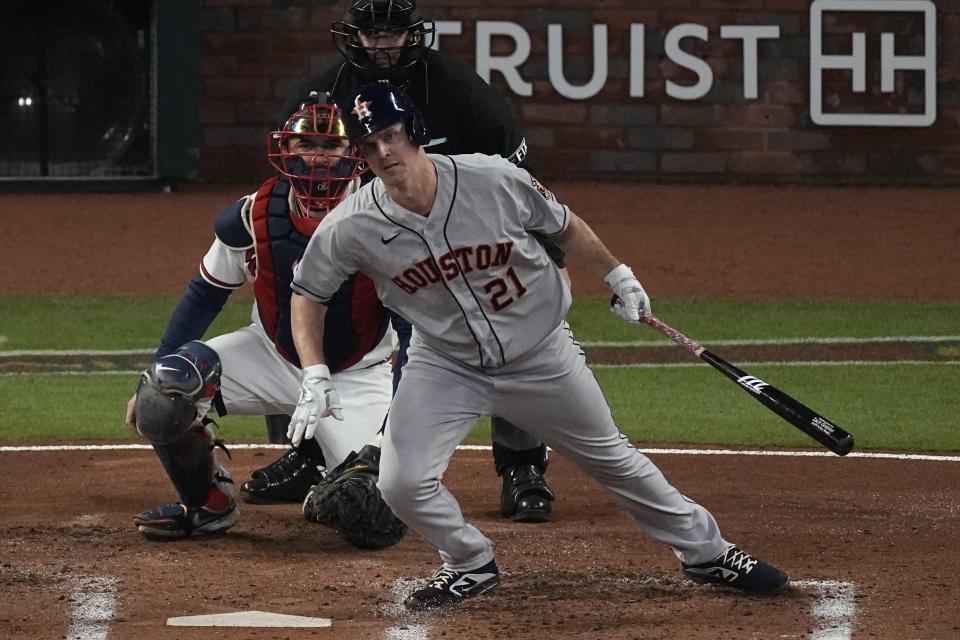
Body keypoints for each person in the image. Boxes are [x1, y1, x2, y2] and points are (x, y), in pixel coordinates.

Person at [287, 82, 789, 609]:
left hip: (541, 354)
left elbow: (565, 226)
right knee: (400, 483)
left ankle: (707, 553)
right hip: (445, 365)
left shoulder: (490, 178)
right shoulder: (351, 226)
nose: (383, 152)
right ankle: (468, 561)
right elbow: (308, 294)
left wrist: (619, 276)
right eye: (368, 144)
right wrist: (315, 370)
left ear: (413, 133)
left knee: (614, 460)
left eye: (390, 135)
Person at [262, 0, 558, 522]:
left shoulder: (461, 93)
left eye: (392, 33)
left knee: (508, 323)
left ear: (412, 36)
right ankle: (308, 453)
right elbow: (295, 172)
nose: (382, 44)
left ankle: (522, 465)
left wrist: (543, 248)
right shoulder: (322, 94)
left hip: (460, 235)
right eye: (372, 33)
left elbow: (518, 179)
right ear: (352, 36)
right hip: (365, 238)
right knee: (292, 297)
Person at [124, 98, 397, 539]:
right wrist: (151, 372)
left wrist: (396, 427)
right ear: (284, 148)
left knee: (370, 516)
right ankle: (207, 504)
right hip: (271, 355)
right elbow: (205, 294)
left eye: (331, 144)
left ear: (355, 154)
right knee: (164, 389)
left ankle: (327, 481)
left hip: (354, 375)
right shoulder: (255, 214)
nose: (316, 155)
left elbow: (415, 326)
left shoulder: (389, 215)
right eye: (305, 142)